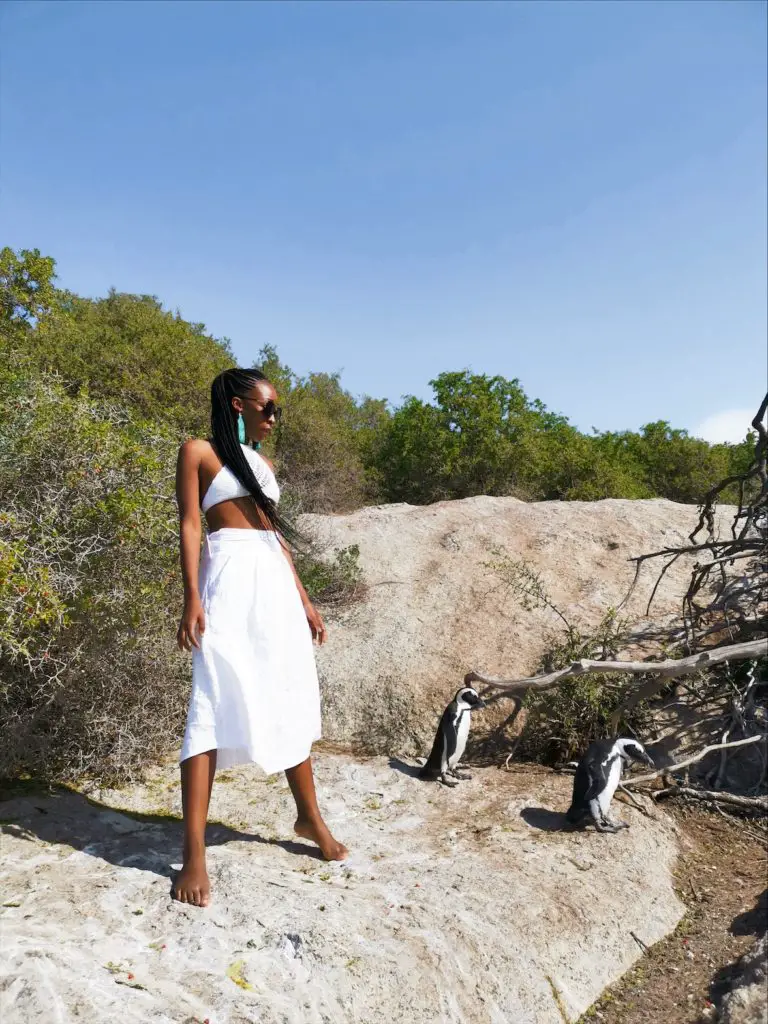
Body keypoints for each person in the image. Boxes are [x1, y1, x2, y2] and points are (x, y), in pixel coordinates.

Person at [173, 367, 347, 907]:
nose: (275, 418)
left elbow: (275, 537)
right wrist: (192, 597)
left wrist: (306, 600)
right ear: (236, 404)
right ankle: (194, 852)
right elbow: (189, 525)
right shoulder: (198, 451)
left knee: (286, 692)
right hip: (225, 578)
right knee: (211, 697)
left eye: (278, 410)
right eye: (267, 407)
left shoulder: (264, 466)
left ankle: (308, 817)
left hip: (271, 583)